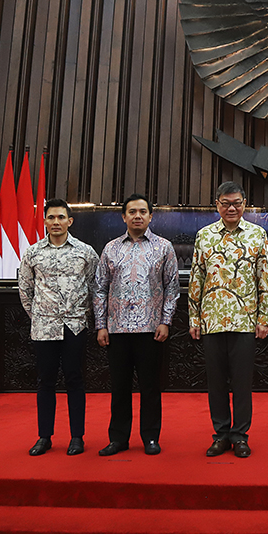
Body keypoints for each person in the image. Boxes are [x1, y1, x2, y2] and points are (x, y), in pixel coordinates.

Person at [188, 181, 268, 459]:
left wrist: (264, 318)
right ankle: (220, 434)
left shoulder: (257, 235)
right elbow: (196, 278)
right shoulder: (204, 236)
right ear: (217, 205)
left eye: (236, 203)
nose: (231, 208)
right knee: (215, 382)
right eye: (226, 203)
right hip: (211, 320)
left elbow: (265, 279)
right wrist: (194, 317)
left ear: (245, 204)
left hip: (245, 320)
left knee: (241, 382)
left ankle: (240, 436)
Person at [94, 193, 179, 456]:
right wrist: (101, 325)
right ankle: (118, 438)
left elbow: (172, 289)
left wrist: (166, 321)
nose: (138, 216)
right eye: (132, 212)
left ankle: (150, 437)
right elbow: (99, 289)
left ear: (151, 216)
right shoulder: (110, 248)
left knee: (150, 387)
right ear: (124, 216)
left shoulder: (163, 247)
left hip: (151, 330)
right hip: (117, 329)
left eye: (143, 211)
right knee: (119, 387)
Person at [18, 199, 99, 456]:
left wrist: (81, 316)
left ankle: (77, 437)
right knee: (45, 382)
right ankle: (44, 436)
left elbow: (94, 288)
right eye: (51, 217)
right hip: (44, 327)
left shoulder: (85, 252)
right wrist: (40, 316)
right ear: (44, 220)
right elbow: (25, 290)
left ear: (70, 221)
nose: (56, 222)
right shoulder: (32, 253)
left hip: (74, 326)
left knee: (75, 380)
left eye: (61, 217)